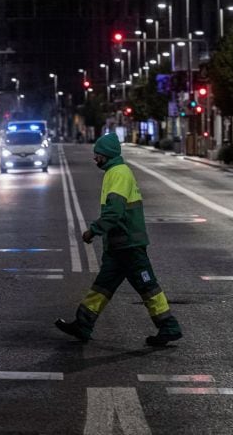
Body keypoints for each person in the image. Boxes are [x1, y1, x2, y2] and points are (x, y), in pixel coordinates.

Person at [55, 133, 183, 346]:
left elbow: (114, 212)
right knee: (102, 286)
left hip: (129, 244)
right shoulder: (114, 172)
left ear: (107, 154)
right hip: (119, 244)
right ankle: (83, 324)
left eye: (98, 155)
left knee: (147, 286)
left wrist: (93, 230)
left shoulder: (118, 174)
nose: (95, 158)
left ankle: (169, 326)